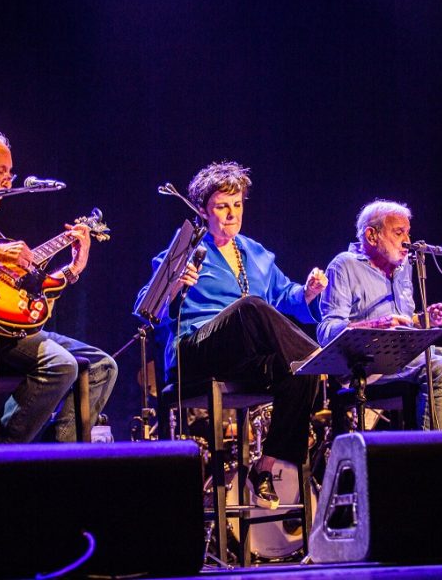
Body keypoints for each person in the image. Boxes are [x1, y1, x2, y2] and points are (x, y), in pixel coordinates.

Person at [135, 161, 327, 508]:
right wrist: (175, 286)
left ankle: (263, 469)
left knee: (298, 374)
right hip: (195, 351)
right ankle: (320, 359)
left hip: (244, 356)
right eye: (222, 206)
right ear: (202, 210)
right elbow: (146, 308)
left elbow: (285, 297)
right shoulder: (186, 249)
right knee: (252, 308)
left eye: (237, 205)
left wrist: (309, 292)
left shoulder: (256, 253)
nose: (231, 214)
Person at [0, 127, 118, 478]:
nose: (10, 182)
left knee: (102, 366)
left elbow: (24, 295)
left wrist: (72, 270)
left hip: (5, 327)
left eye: (10, 173)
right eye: (1, 172)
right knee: (61, 365)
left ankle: (55, 465)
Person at [317, 199, 442, 430]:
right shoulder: (344, 265)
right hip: (371, 364)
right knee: (439, 367)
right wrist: (378, 324)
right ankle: (427, 459)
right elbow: (327, 331)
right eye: (399, 232)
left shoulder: (404, 264)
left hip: (411, 353)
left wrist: (423, 319)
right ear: (371, 235)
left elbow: (403, 320)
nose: (407, 241)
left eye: (408, 232)